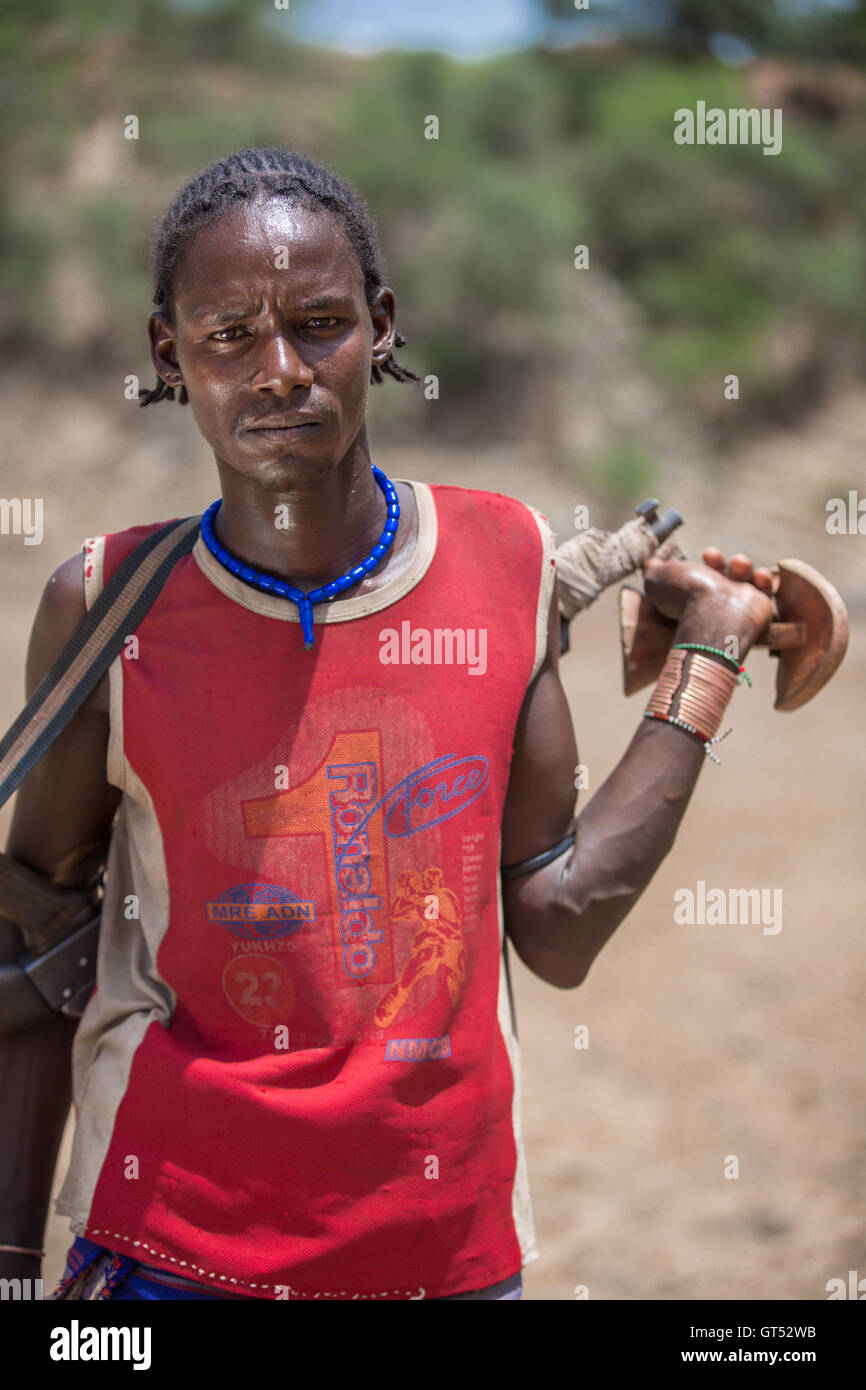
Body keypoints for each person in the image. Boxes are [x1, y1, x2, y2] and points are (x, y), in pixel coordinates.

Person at [0, 148, 774, 1302]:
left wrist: (706, 657)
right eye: (227, 335)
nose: (278, 371)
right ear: (168, 353)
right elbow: (33, 949)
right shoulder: (106, 606)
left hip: (448, 1257)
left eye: (318, 324)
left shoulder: (502, 559)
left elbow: (557, 925)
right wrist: (12, 1266)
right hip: (167, 1258)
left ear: (382, 325)